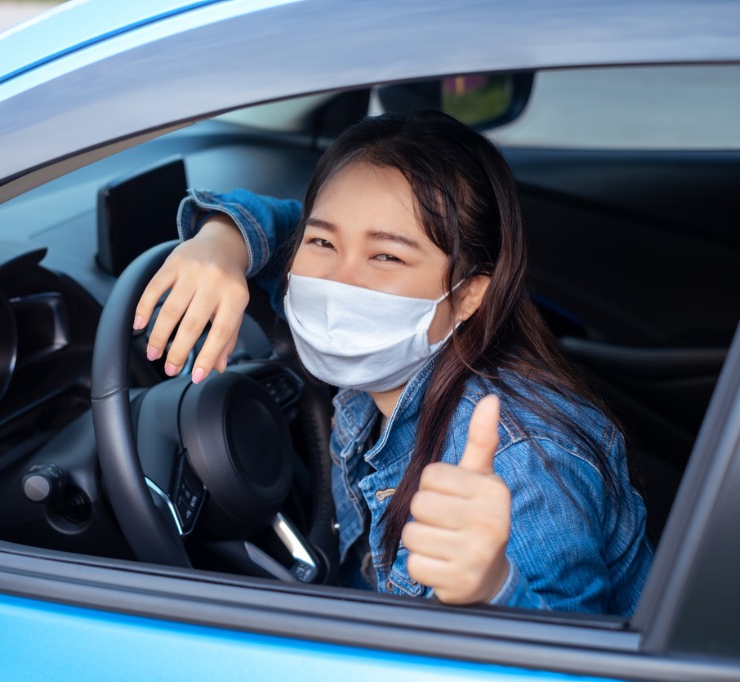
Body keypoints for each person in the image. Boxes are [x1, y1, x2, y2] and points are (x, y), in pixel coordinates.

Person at [134, 110, 652, 614]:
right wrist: (223, 242)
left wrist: (493, 591)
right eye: (323, 242)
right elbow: (292, 225)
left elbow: (567, 661)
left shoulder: (519, 461)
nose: (337, 281)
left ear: (470, 294)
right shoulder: (393, 356)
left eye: (387, 256)